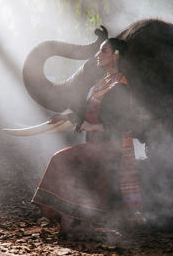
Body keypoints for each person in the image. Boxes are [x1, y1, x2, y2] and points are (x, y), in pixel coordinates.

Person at [31, 38, 143, 238]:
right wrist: (66, 116)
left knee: (60, 159)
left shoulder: (120, 86)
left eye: (104, 51)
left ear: (116, 56)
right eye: (99, 51)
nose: (98, 55)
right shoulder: (102, 82)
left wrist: (92, 126)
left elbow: (122, 123)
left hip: (110, 146)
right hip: (94, 144)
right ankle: (76, 223)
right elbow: (88, 111)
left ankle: (73, 220)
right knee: (76, 170)